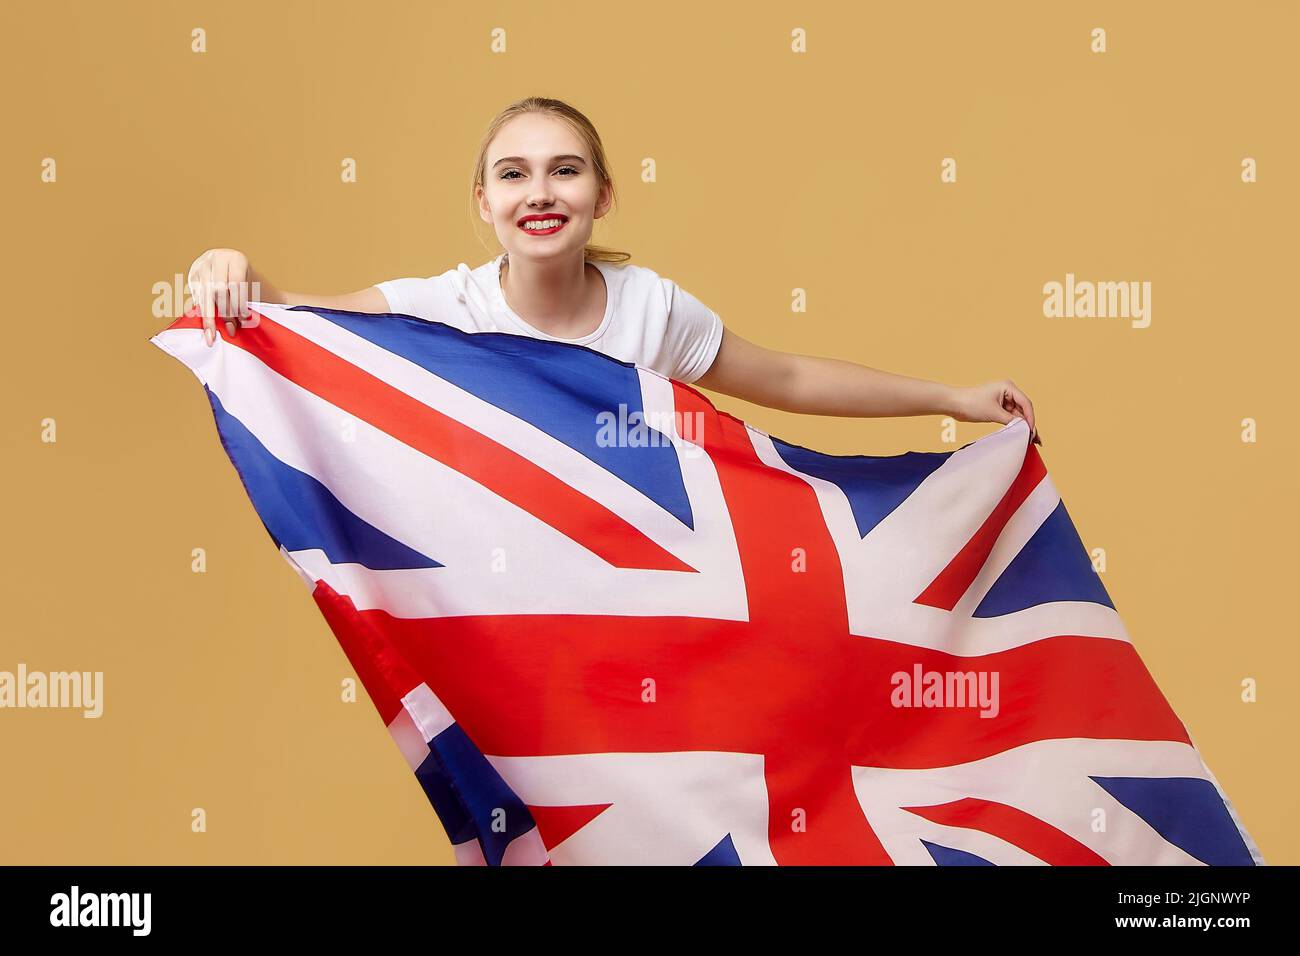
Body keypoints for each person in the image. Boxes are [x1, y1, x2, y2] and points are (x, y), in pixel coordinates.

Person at [185, 96, 1039, 444]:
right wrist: (237, 273)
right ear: (483, 203)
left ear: (603, 196)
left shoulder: (653, 311)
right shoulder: (445, 308)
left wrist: (952, 399)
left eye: (566, 169)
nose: (540, 193)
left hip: (642, 619)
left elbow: (786, 376)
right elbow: (297, 318)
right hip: (507, 617)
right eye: (513, 175)